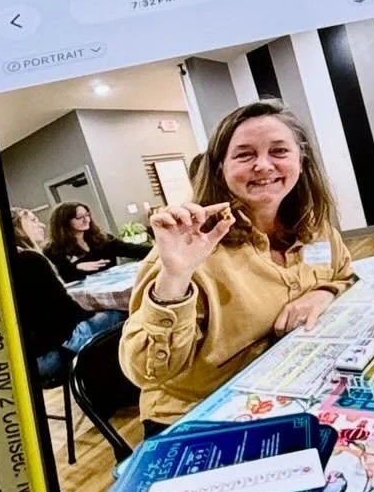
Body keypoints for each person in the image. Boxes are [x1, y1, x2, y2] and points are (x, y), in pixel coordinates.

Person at [119, 100, 355, 433]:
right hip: (203, 417)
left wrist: (323, 293)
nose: (263, 165)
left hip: (294, 387)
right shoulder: (190, 247)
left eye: (279, 151)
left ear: (300, 161)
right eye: (244, 155)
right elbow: (147, 372)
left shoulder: (315, 226)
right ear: (220, 169)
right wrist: (175, 277)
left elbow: (346, 276)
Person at [11, 210, 124, 384]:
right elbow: (66, 311)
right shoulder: (30, 259)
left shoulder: (9, 264)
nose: (41, 225)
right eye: (33, 221)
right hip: (51, 354)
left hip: (29, 360)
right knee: (122, 314)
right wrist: (95, 312)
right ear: (18, 229)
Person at [45, 202, 147, 284]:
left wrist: (159, 248)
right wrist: (76, 268)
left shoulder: (102, 238)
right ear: (64, 222)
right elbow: (60, 278)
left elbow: (132, 249)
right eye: (79, 217)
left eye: (87, 215)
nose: (86, 220)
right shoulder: (53, 250)